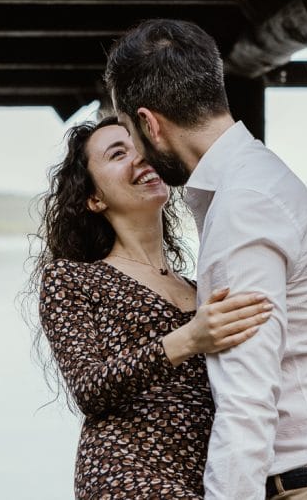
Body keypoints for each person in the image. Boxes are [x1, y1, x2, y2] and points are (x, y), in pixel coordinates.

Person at [104, 19, 307, 500]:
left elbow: (247, 400)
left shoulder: (243, 206)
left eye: (130, 132)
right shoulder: (261, 183)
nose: (140, 159)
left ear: (150, 123)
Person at [26, 116, 274, 499]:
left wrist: (300, 217)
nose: (138, 157)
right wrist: (189, 338)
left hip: (211, 479)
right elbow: (89, 389)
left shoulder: (201, 286)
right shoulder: (72, 279)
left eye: (138, 146)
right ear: (95, 198)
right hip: (126, 474)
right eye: (118, 153)